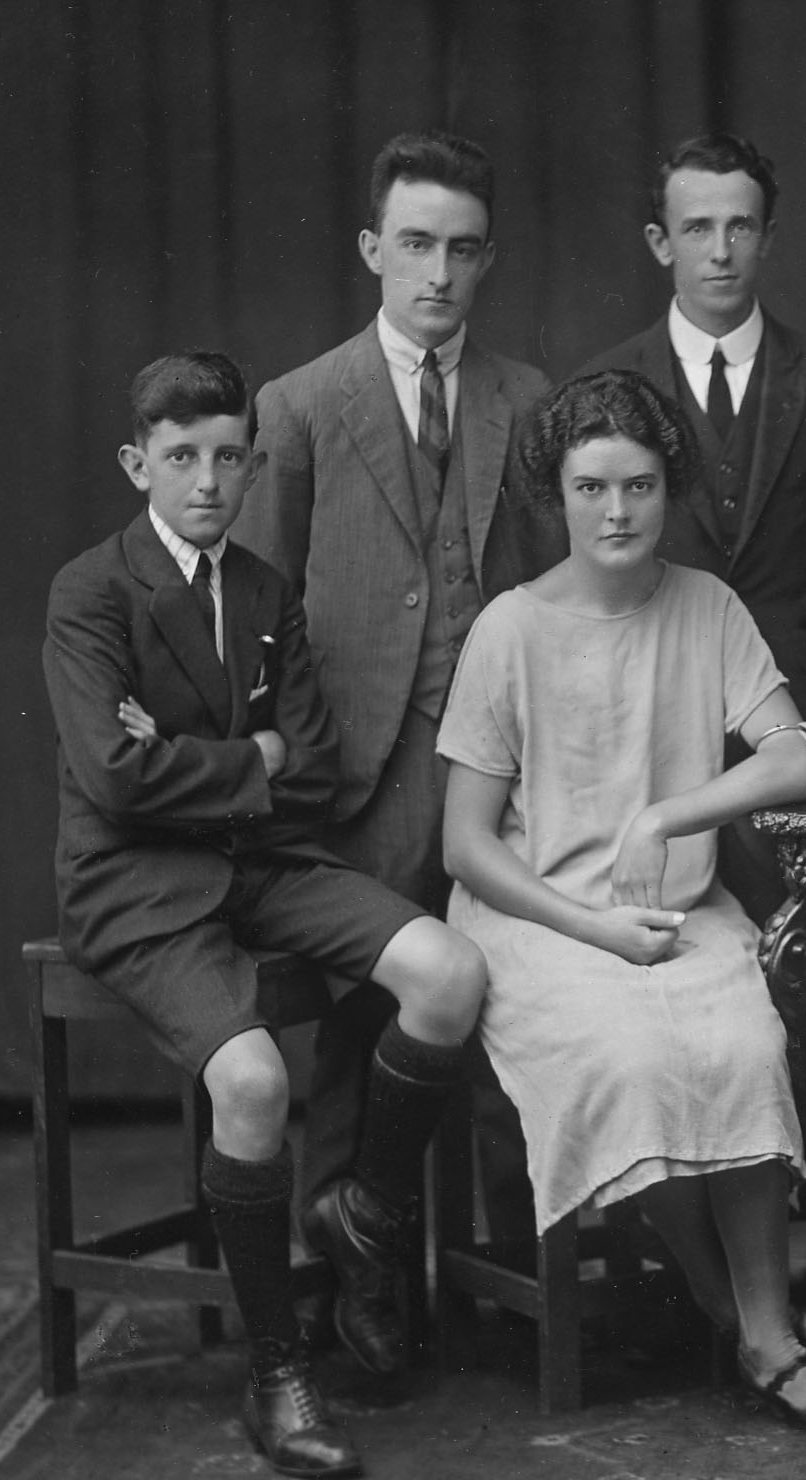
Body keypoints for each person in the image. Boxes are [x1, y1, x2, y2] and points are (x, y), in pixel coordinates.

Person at [43, 352, 488, 1478]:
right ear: (136, 460)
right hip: (138, 885)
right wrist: (253, 755)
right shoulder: (91, 590)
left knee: (448, 972)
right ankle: (277, 1370)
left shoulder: (267, 590)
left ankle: (366, 1214)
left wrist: (200, 760)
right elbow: (112, 779)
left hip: (261, 863)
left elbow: (316, 762)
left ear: (252, 459)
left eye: (228, 455)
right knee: (251, 1080)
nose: (207, 479)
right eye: (182, 456)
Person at [436, 370, 806, 1443]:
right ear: (558, 492)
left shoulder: (707, 606)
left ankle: (759, 1324)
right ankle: (752, 1322)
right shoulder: (510, 628)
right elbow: (462, 844)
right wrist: (590, 924)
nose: (617, 512)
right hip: (537, 916)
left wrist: (671, 814)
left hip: (680, 910)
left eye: (639, 485)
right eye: (592, 487)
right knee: (635, 1056)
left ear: (667, 487)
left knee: (739, 1045)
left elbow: (796, 754)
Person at [238, 129, 562, 1354]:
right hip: (358, 770)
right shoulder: (303, 405)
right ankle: (355, 1271)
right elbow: (263, 619)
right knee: (370, 1012)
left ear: (487, 263)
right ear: (374, 247)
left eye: (462, 250)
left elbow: (549, 591)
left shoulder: (525, 399)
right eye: (415, 244)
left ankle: (512, 1271)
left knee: (520, 1006)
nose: (438, 273)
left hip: (501, 766)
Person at [578, 132, 806, 917]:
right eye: (697, 229)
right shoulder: (606, 385)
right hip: (651, 716)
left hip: (796, 713)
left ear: (769, 237)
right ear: (660, 242)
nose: (720, 251)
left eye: (740, 227)